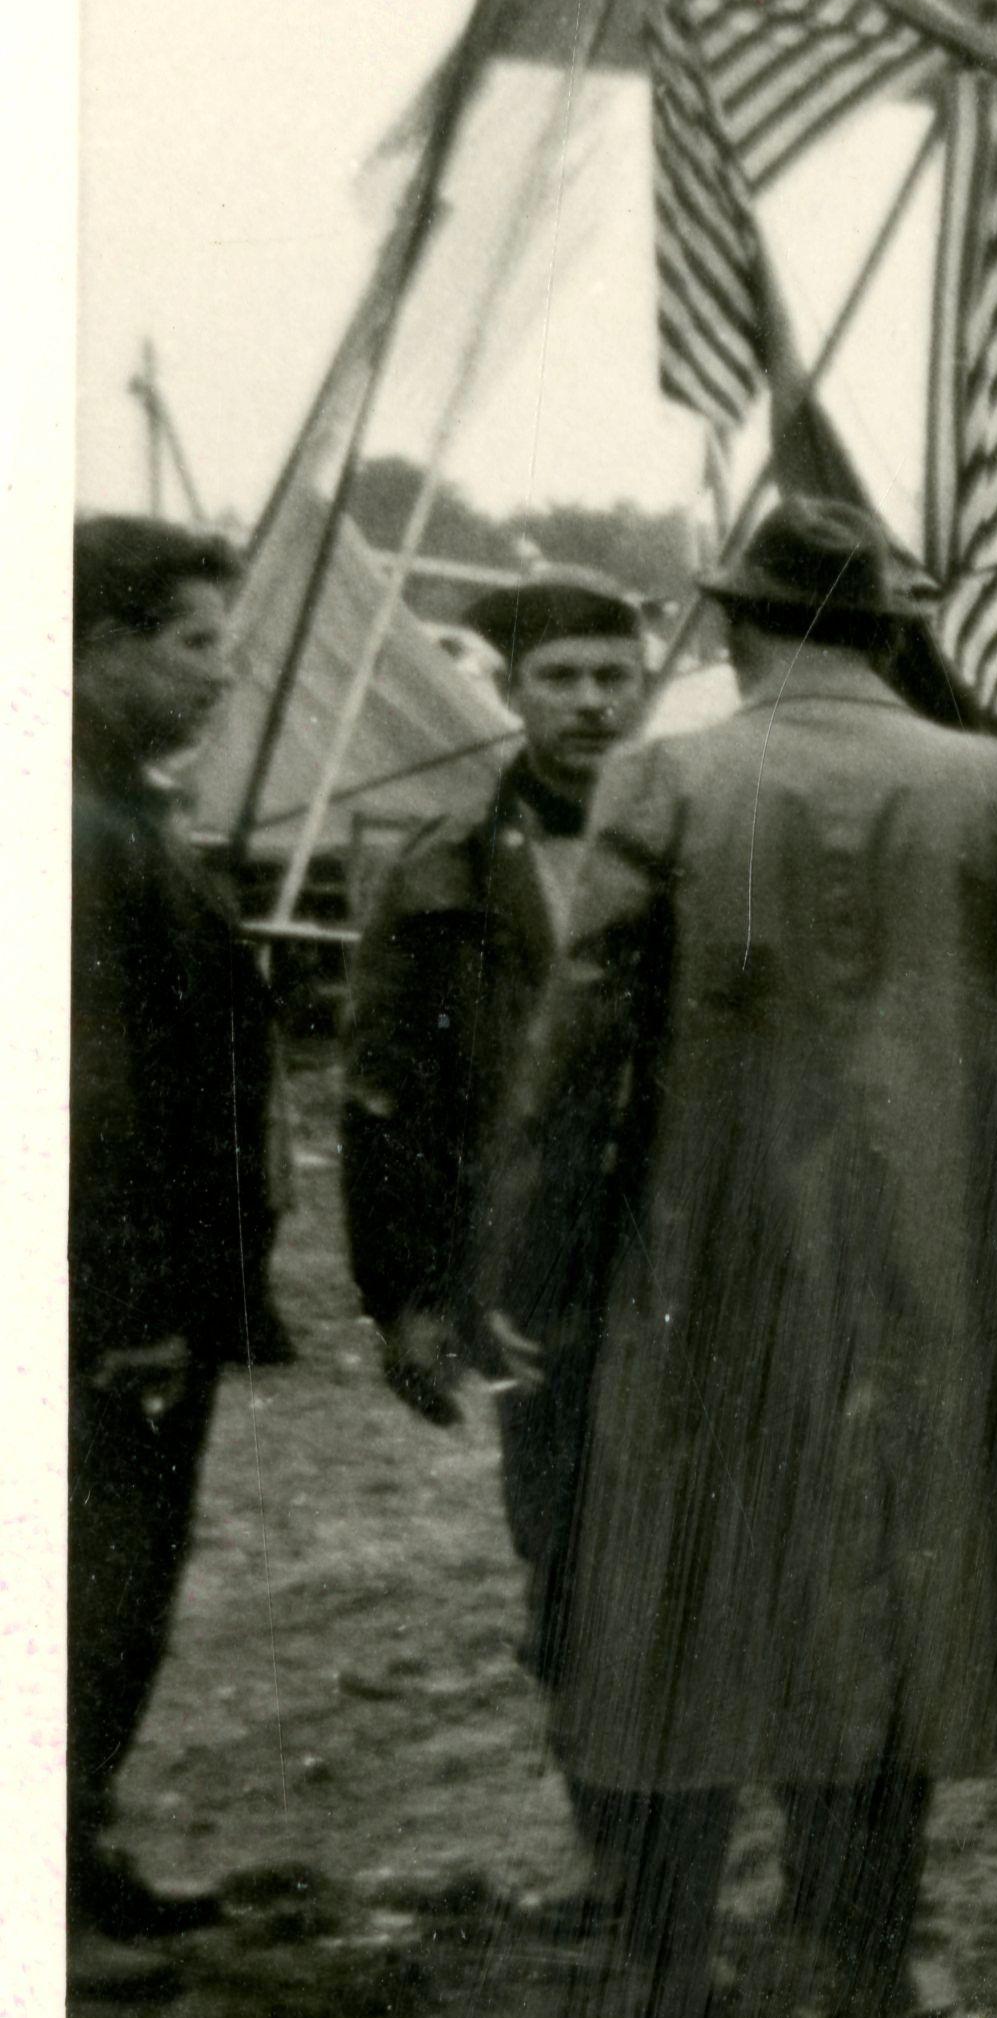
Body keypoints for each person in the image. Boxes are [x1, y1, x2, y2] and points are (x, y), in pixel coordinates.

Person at [494, 498, 997, 2018]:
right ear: (893, 628)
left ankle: (663, 1962)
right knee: (898, 1559)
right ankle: (862, 1955)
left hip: (699, 1246)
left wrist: (548, 1256)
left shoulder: (671, 781)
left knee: (681, 1565)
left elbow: (583, 1050)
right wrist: (973, 1153)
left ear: (736, 623)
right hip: (935, 1255)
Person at [341, 572, 654, 1914]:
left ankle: (717, 1860)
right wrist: (407, 1297)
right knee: (572, 1563)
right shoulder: (448, 871)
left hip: (698, 1270)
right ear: (513, 694)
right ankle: (621, 1858)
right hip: (539, 1284)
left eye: (611, 676)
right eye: (559, 679)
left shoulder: (707, 846)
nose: (589, 703)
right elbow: (388, 1099)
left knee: (721, 1560)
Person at [69, 515, 292, 1986]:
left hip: (143, 1290)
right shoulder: (78, 832)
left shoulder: (120, 811)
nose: (224, 673)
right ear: (100, 647)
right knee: (86, 1585)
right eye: (197, 644)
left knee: (122, 1585)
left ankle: (75, 1856)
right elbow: (93, 1102)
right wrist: (132, 1301)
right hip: (108, 1304)